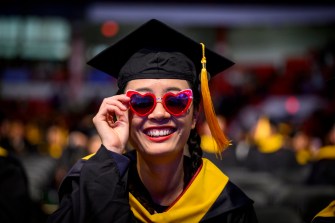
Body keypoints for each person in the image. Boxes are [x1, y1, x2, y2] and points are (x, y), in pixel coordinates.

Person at [48, 19, 258, 223]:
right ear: (121, 112)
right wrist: (111, 151)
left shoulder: (226, 206)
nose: (159, 114)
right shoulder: (90, 182)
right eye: (141, 101)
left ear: (194, 116)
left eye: (176, 101)